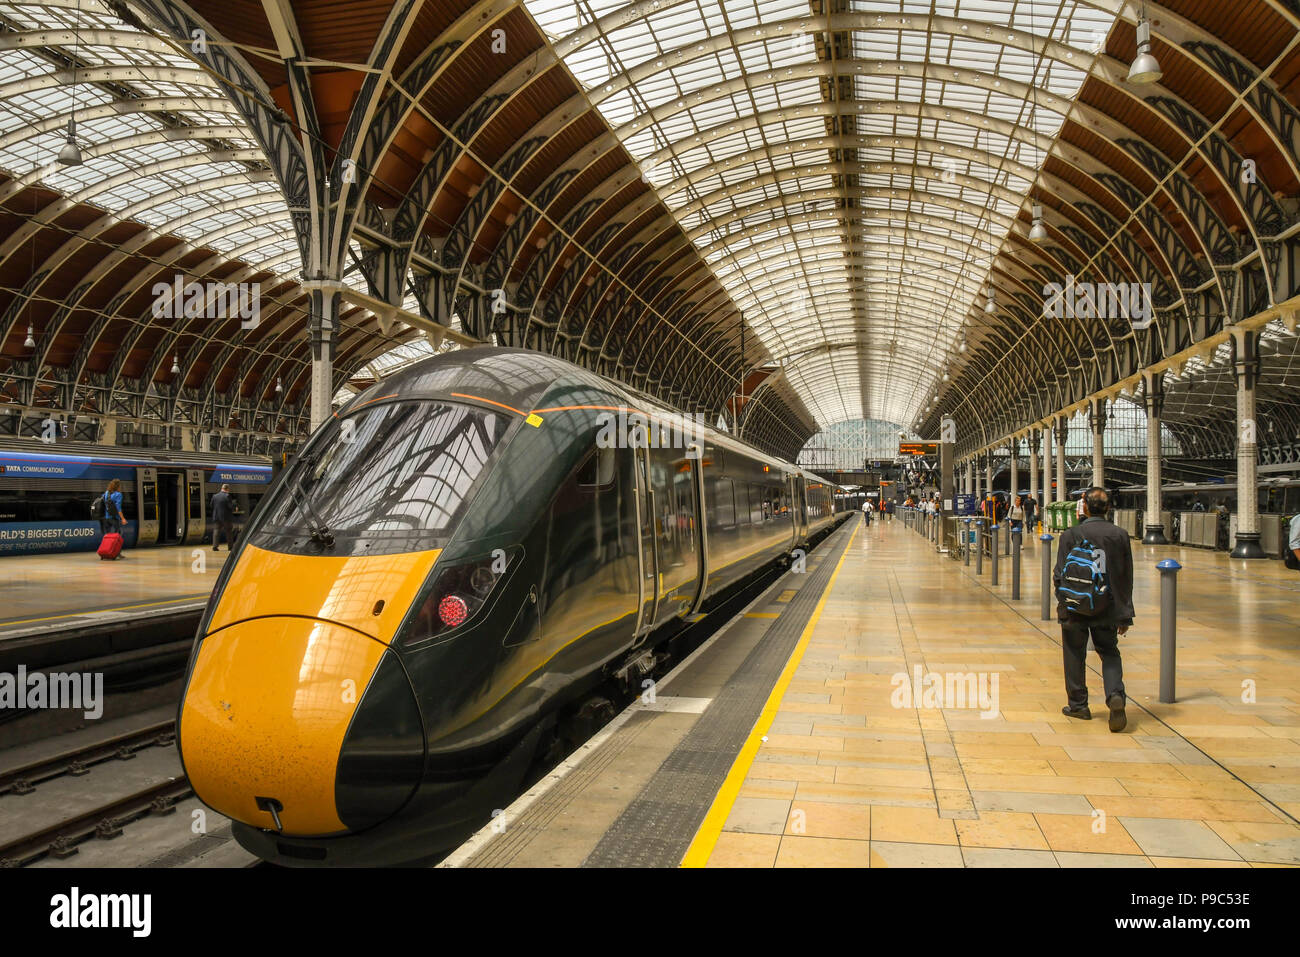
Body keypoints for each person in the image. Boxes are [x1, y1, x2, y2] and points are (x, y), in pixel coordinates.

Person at [1053, 487, 1134, 732]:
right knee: (1109, 651)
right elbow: (1124, 577)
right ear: (1108, 508)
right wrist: (1124, 614)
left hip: (1076, 607)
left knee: (1074, 653)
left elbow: (1059, 574)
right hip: (1107, 606)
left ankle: (1078, 705)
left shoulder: (1071, 534)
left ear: (1084, 507)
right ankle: (1115, 694)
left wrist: (1064, 601)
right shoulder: (1120, 535)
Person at [210, 483, 235, 551]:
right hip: (226, 517)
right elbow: (230, 506)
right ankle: (230, 547)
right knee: (229, 532)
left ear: (222, 488)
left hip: (216, 517)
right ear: (227, 489)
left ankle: (215, 546)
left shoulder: (215, 496)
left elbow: (211, 505)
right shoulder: (227, 496)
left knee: (216, 531)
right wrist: (234, 508)